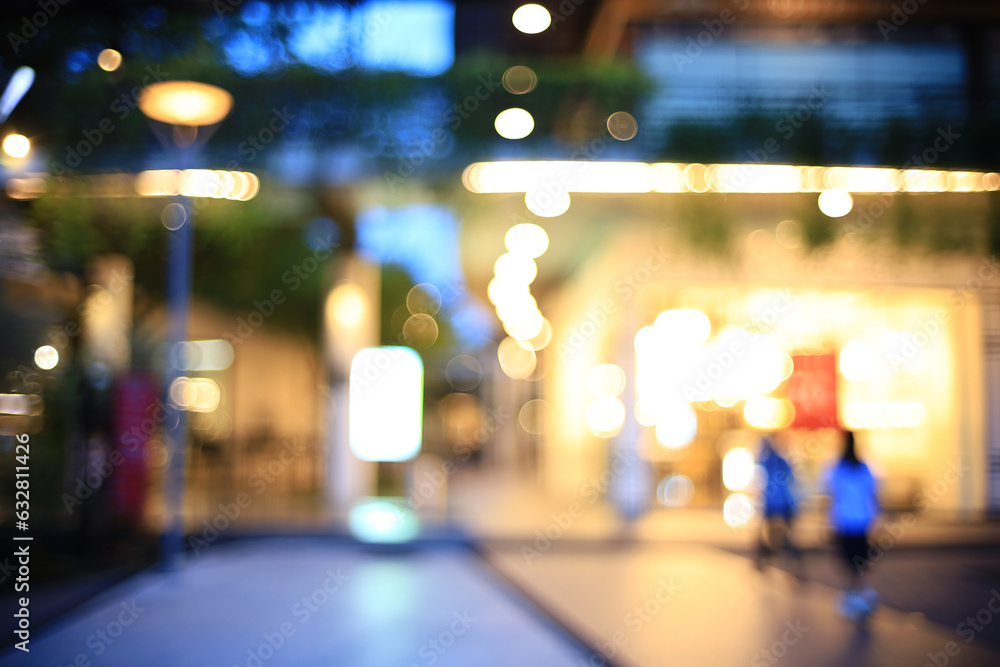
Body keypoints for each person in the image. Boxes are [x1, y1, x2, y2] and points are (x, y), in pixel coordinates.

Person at [825, 430, 879, 623]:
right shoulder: (864, 467)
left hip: (844, 520)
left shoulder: (836, 467)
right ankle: (859, 592)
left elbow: (829, 492)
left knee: (848, 560)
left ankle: (855, 594)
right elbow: (874, 491)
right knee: (860, 559)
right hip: (863, 519)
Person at [755, 434, 803, 575]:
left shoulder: (769, 461)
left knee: (771, 536)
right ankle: (791, 561)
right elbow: (791, 480)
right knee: (781, 536)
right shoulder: (779, 461)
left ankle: (764, 561)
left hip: (774, 504)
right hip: (781, 504)